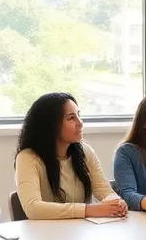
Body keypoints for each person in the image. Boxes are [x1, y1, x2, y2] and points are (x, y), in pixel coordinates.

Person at [14, 92, 126, 220]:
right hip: (44, 235)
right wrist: (89, 210)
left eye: (79, 115)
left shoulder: (85, 151)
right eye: (71, 118)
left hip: (80, 233)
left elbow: (105, 191)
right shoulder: (27, 158)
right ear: (51, 125)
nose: (80, 123)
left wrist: (116, 202)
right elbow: (33, 208)